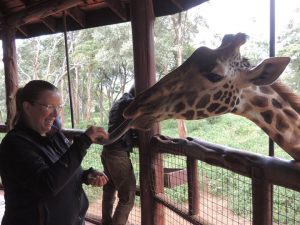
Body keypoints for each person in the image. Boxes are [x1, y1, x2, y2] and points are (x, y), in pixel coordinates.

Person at [0, 80, 109, 225]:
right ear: (27, 107)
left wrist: (86, 175)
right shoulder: (15, 144)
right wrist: (83, 142)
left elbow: (63, 169)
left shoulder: (54, 134)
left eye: (58, 107)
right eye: (49, 106)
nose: (56, 114)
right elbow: (47, 185)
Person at [101, 86, 137, 225]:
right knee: (127, 197)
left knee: (109, 190)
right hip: (118, 155)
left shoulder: (119, 102)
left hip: (107, 151)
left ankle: (106, 222)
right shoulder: (129, 103)